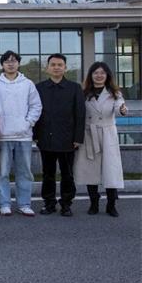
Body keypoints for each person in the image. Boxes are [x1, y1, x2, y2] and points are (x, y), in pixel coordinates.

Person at [0, 50, 43, 217]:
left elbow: (36, 106)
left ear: (18, 63)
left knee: (24, 172)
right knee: (2, 172)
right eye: (7, 61)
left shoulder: (28, 84)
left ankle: (24, 204)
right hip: (2, 135)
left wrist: (28, 122)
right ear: (2, 65)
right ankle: (4, 203)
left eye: (14, 61)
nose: (10, 64)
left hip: (24, 135)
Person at [34, 54, 86, 217]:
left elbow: (80, 114)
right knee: (48, 174)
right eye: (53, 65)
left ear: (65, 68)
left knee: (67, 174)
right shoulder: (39, 88)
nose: (56, 67)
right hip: (46, 138)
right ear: (47, 68)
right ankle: (49, 203)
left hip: (67, 139)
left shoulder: (74, 88)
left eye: (60, 65)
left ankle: (66, 204)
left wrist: (78, 138)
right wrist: (36, 135)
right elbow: (35, 112)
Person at [74, 62, 127, 217]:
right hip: (89, 134)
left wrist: (122, 110)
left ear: (107, 75)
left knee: (111, 170)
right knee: (91, 170)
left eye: (102, 73)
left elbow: (119, 107)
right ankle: (94, 203)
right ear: (91, 75)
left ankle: (111, 204)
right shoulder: (83, 93)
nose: (99, 75)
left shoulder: (114, 93)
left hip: (107, 134)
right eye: (96, 73)